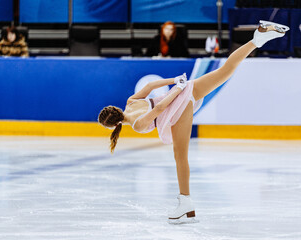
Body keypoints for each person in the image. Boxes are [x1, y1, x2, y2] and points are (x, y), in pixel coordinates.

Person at [98, 20, 289, 224]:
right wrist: (175, 81)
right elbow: (153, 85)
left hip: (178, 108)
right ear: (116, 109)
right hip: (183, 92)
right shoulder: (131, 101)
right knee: (225, 71)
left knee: (180, 157)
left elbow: (160, 109)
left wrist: (178, 91)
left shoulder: (136, 125)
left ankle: (185, 202)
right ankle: (257, 39)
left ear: (114, 125)